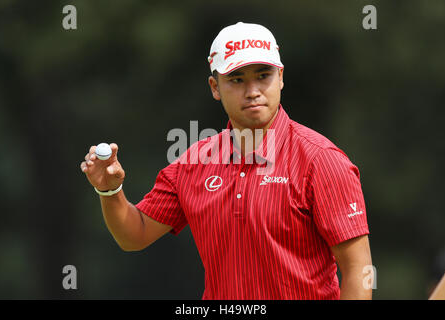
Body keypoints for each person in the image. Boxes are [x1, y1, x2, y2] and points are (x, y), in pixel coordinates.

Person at [80, 22, 373, 300]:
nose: (253, 91)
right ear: (215, 87)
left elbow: (358, 271)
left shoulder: (321, 161)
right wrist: (110, 192)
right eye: (236, 79)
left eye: (263, 75)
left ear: (281, 77)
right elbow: (135, 234)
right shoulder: (193, 163)